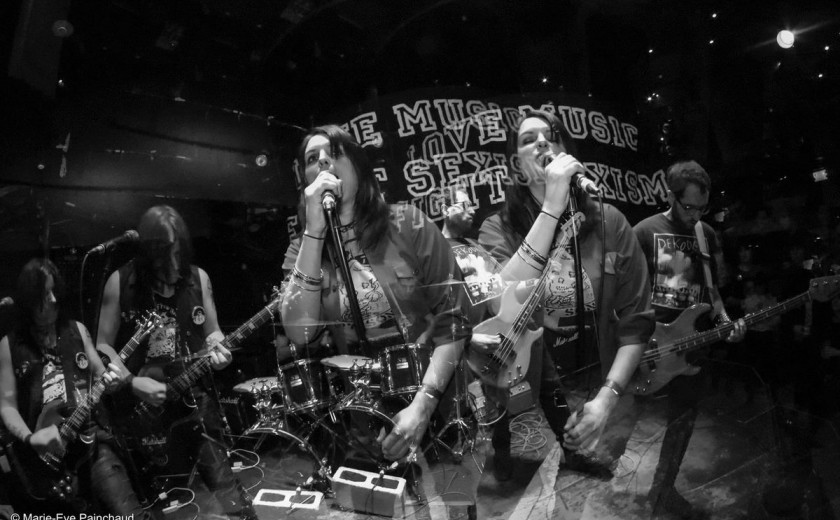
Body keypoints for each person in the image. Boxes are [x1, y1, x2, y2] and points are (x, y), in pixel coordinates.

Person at [478, 109, 655, 477]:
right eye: (529, 140)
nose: (543, 141)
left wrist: (606, 400)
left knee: (595, 466)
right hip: (524, 375)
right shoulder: (497, 229)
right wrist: (552, 208)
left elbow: (637, 321)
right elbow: (500, 301)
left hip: (597, 382)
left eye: (552, 136)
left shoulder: (609, 221)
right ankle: (507, 456)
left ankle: (575, 456)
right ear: (518, 167)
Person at [281, 125, 470, 463]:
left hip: (434, 391)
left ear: (358, 166)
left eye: (334, 152)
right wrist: (314, 231)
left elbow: (453, 319)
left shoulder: (408, 223)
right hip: (364, 410)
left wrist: (423, 406)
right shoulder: (302, 250)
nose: (322, 161)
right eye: (311, 158)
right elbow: (300, 332)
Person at [96, 205, 255, 519]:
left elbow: (213, 333)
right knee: (163, 505)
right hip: (142, 411)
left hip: (194, 401)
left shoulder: (198, 278)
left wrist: (219, 350)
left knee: (229, 492)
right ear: (147, 251)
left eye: (177, 252)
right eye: (163, 253)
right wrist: (131, 381)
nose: (171, 262)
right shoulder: (121, 281)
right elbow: (101, 344)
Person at [633, 160, 746, 519]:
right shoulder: (643, 232)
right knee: (627, 421)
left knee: (682, 424)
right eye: (688, 206)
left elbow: (712, 294)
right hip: (650, 345)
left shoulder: (705, 234)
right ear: (670, 195)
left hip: (691, 347)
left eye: (702, 208)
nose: (695, 214)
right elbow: (625, 296)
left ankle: (663, 490)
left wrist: (725, 322)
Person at [0, 258, 148, 515]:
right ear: (29, 299)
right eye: (44, 294)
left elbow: (102, 376)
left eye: (54, 291)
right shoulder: (9, 345)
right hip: (46, 460)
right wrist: (30, 438)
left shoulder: (77, 331)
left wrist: (114, 381)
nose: (53, 299)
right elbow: (6, 404)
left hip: (92, 444)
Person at [439, 185, 511, 479]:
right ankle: (460, 479)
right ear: (445, 209)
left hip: (491, 338)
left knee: (500, 405)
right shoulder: (436, 249)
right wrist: (468, 338)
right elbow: (434, 306)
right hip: (462, 346)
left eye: (472, 205)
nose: (472, 210)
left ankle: (503, 462)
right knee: (462, 412)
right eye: (464, 205)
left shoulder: (475, 245)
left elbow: (499, 283)